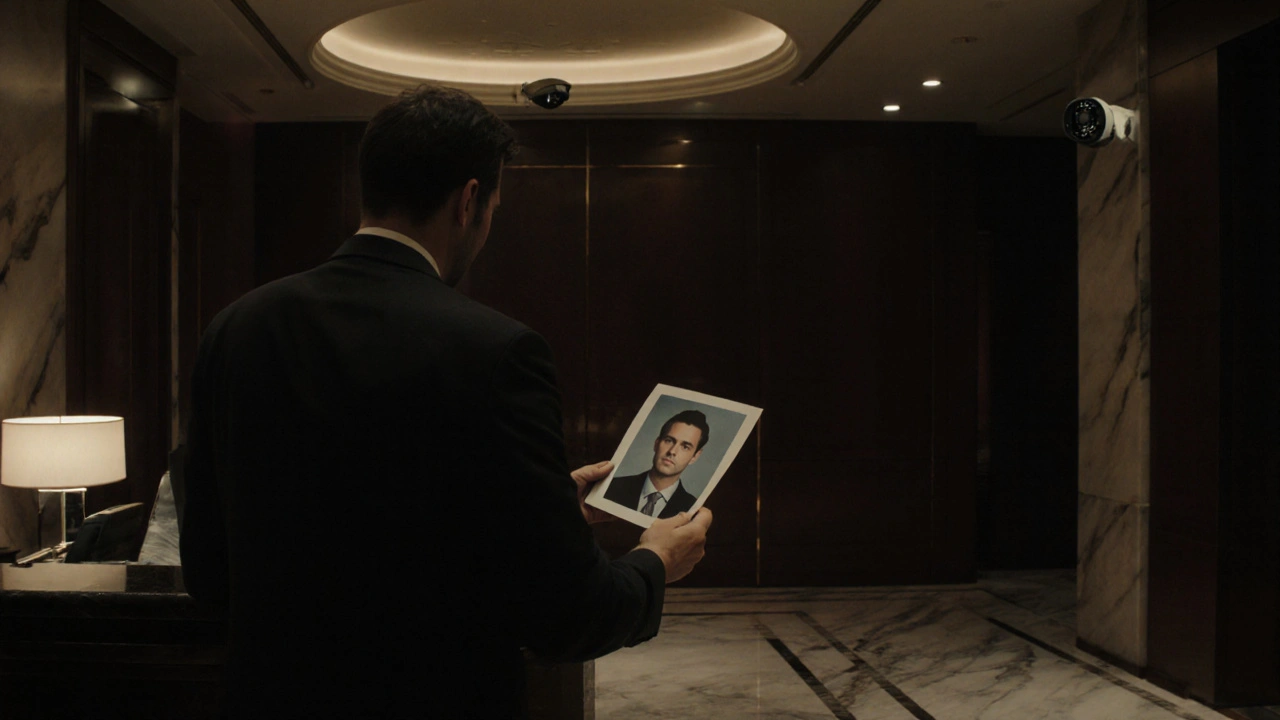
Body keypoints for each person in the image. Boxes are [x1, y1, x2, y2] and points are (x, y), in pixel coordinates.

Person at [179, 85, 713, 719]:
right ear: (468, 201)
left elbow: (210, 572)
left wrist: (541, 508)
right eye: (492, 211)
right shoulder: (497, 350)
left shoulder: (236, 328)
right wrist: (656, 560)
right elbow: (566, 616)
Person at [605, 410, 710, 519]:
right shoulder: (612, 487)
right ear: (656, 443)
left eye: (685, 447)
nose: (672, 451)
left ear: (695, 456)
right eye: (669, 440)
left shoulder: (693, 511)